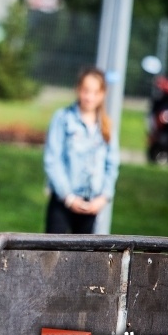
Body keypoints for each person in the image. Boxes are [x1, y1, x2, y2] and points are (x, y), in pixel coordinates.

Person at [43, 66, 120, 234]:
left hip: (92, 204)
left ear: (102, 94)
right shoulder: (63, 118)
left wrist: (103, 198)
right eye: (86, 91)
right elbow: (52, 159)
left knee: (85, 257)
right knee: (54, 256)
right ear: (78, 90)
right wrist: (69, 198)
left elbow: (111, 164)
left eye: (95, 92)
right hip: (63, 201)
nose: (89, 97)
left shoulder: (106, 125)